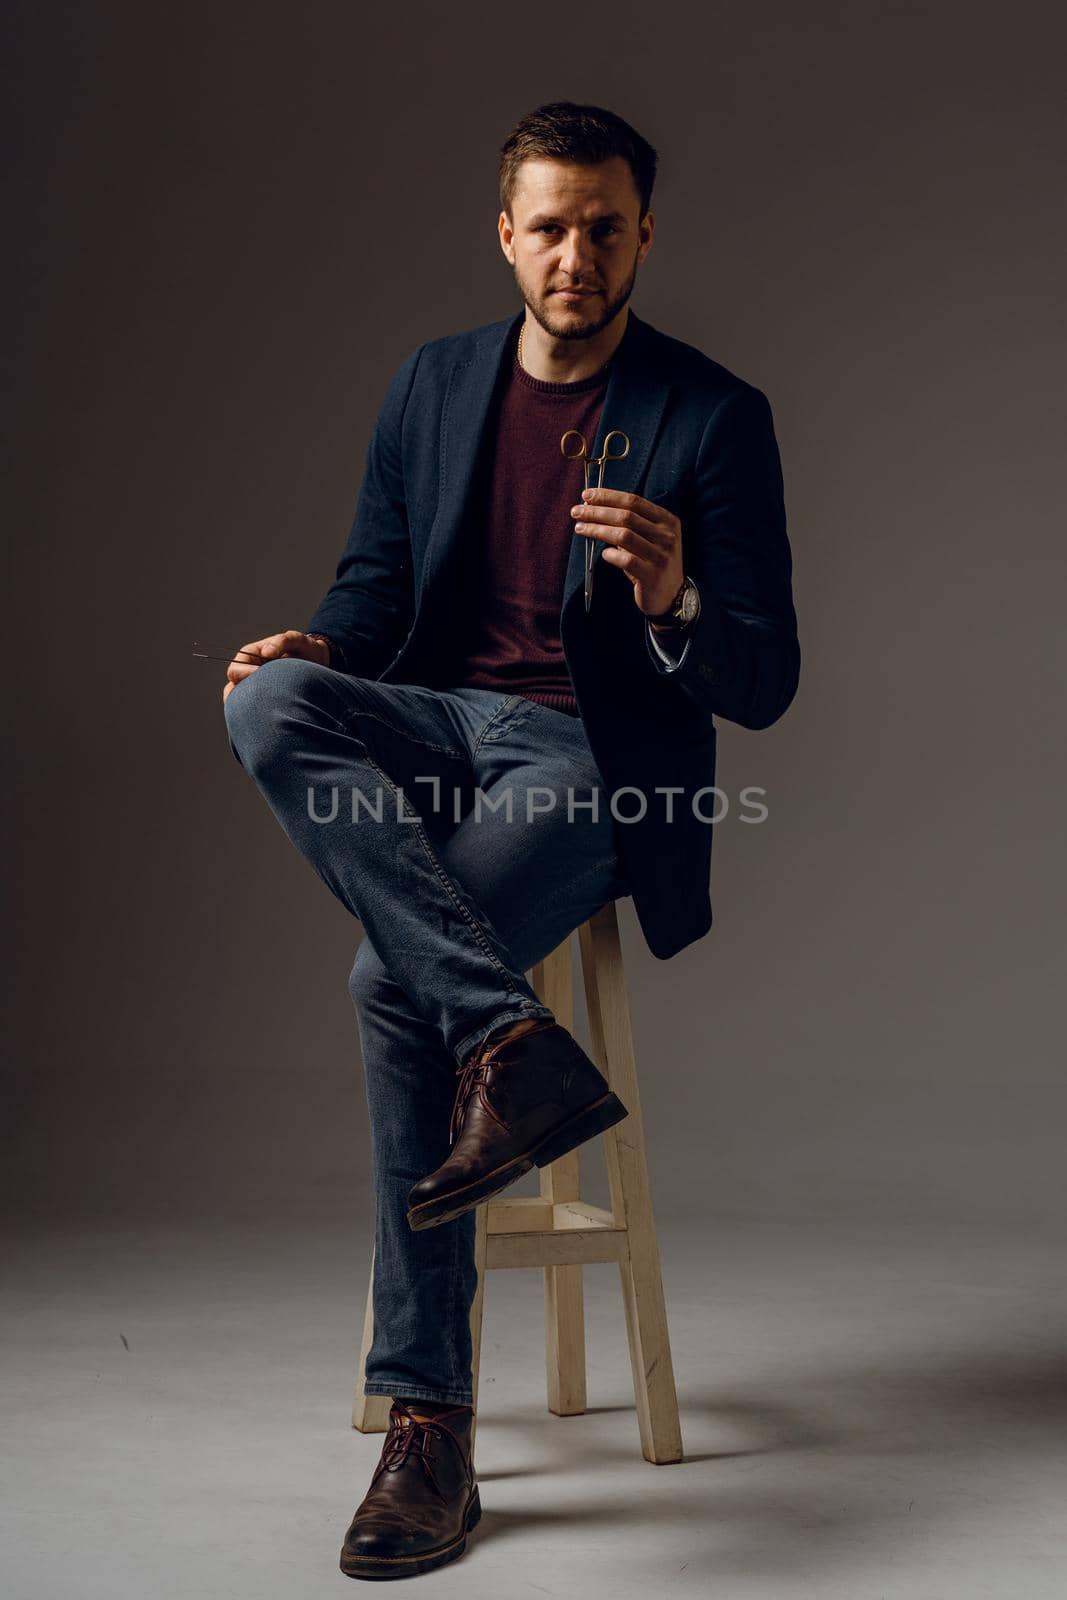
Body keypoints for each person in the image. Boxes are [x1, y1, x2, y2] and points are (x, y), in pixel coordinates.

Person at [221, 100, 799, 1581]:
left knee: (381, 987)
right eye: (549, 224)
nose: (576, 254)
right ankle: (513, 1047)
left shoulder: (713, 416)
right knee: (273, 698)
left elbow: (768, 679)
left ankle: (430, 1430)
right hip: (439, 718)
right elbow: (371, 589)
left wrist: (674, 601)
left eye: (606, 225)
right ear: (504, 233)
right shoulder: (432, 385)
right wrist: (322, 641)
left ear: (645, 234)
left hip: (595, 763)